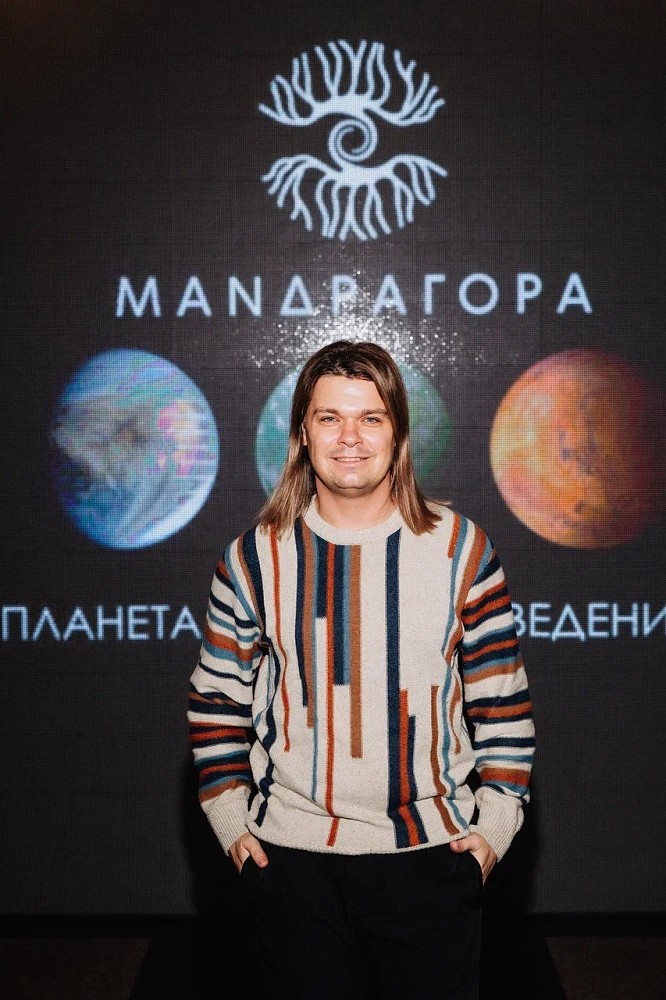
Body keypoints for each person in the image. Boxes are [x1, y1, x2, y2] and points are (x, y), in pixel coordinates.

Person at [188, 339, 535, 999]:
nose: (350, 437)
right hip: (291, 864)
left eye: (370, 417)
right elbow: (216, 704)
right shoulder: (253, 559)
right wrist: (232, 823)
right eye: (330, 417)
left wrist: (494, 828)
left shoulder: (462, 549)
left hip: (433, 862)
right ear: (303, 432)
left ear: (397, 433)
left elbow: (503, 706)